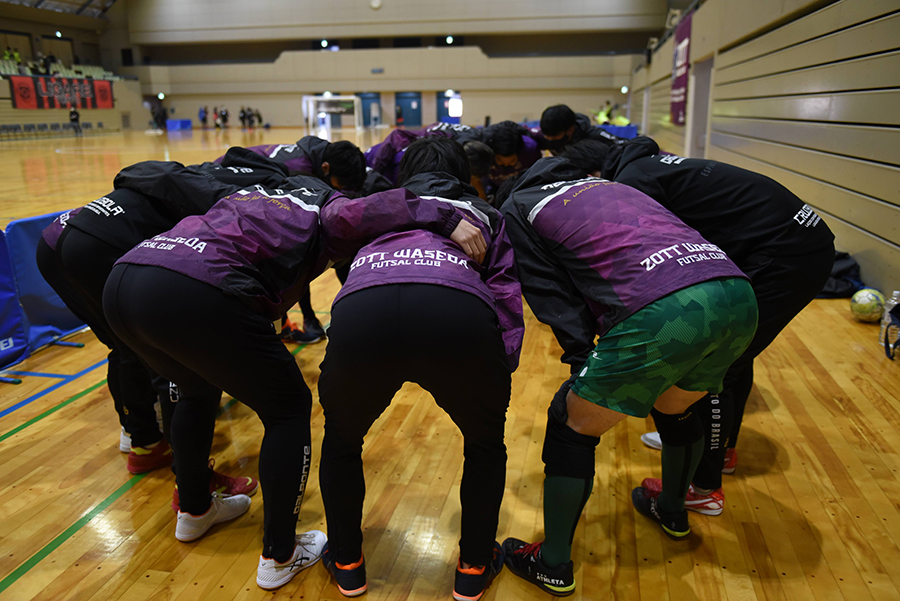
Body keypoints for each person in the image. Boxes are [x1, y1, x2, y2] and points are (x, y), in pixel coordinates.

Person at [498, 156, 758, 596]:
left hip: (666, 309)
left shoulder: (519, 207)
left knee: (571, 423)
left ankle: (552, 563)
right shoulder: (614, 185)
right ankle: (672, 508)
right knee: (674, 407)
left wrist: (582, 360)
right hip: (736, 293)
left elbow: (551, 294)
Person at [562, 138, 835, 511]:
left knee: (717, 360)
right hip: (798, 240)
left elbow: (639, 256)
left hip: (786, 251)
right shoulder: (647, 165)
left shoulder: (631, 181)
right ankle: (719, 450)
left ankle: (705, 487)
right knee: (734, 352)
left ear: (592, 175)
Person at [316, 135, 524, 600]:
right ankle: (473, 569)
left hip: (364, 310)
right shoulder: (485, 213)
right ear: (463, 175)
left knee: (342, 441)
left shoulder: (379, 207)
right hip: (456, 312)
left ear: (405, 174)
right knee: (485, 445)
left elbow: (338, 250)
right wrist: (497, 370)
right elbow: (505, 289)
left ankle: (347, 563)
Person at [36, 148, 287, 481]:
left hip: (58, 239)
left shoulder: (199, 175)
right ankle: (186, 474)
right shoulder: (235, 201)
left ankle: (141, 438)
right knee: (170, 361)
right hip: (97, 244)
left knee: (125, 347)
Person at [481, 120, 542, 194]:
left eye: (512, 162)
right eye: (500, 161)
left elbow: (536, 177)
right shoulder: (483, 151)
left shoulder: (531, 149)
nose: (506, 165)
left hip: (523, 189)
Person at [538, 104, 623, 155]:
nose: (551, 140)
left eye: (555, 136)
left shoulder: (595, 136)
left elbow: (624, 146)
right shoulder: (543, 137)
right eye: (547, 136)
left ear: (570, 130)